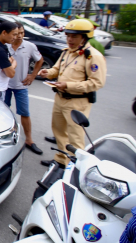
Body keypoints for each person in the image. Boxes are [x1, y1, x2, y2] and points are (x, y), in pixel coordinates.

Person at [38, 19, 106, 168]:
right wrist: (47, 72)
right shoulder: (66, 52)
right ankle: (62, 160)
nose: (70, 39)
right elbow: (56, 69)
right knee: (59, 131)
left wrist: (68, 85)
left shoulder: (92, 56)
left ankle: (75, 168)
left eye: (74, 36)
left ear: (85, 37)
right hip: (60, 98)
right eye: (68, 36)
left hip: (77, 102)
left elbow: (96, 83)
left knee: (75, 137)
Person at [5, 23, 44, 154]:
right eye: (17, 33)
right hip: (5, 85)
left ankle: (29, 140)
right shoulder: (6, 45)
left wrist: (33, 75)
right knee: (5, 112)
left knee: (25, 113)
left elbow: (40, 60)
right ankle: (6, 138)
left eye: (22, 33)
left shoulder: (30, 46)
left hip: (21, 86)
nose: (20, 36)